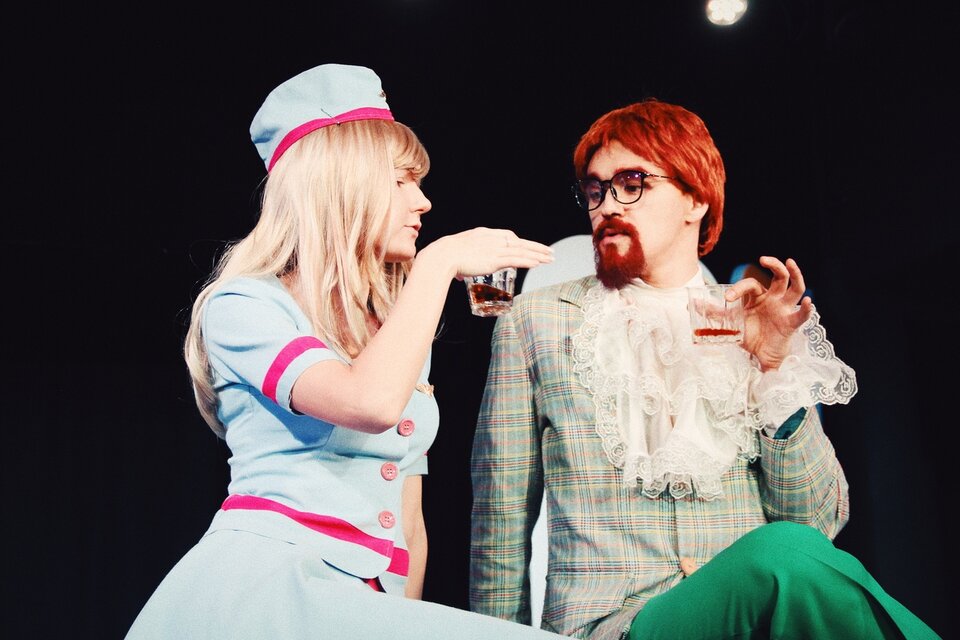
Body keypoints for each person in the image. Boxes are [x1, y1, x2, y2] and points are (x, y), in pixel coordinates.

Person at [125, 63, 569, 640]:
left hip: (360, 601)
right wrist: (436, 264)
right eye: (401, 181)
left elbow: (409, 520)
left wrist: (402, 615)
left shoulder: (392, 326)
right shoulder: (243, 305)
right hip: (269, 592)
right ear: (340, 183)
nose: (423, 202)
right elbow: (370, 403)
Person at [469, 98, 941, 639]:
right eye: (595, 190)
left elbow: (818, 523)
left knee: (792, 549)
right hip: (611, 626)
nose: (606, 206)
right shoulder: (536, 322)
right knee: (781, 551)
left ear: (695, 199)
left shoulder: (751, 321)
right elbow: (500, 522)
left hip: (749, 622)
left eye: (631, 183)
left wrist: (773, 370)